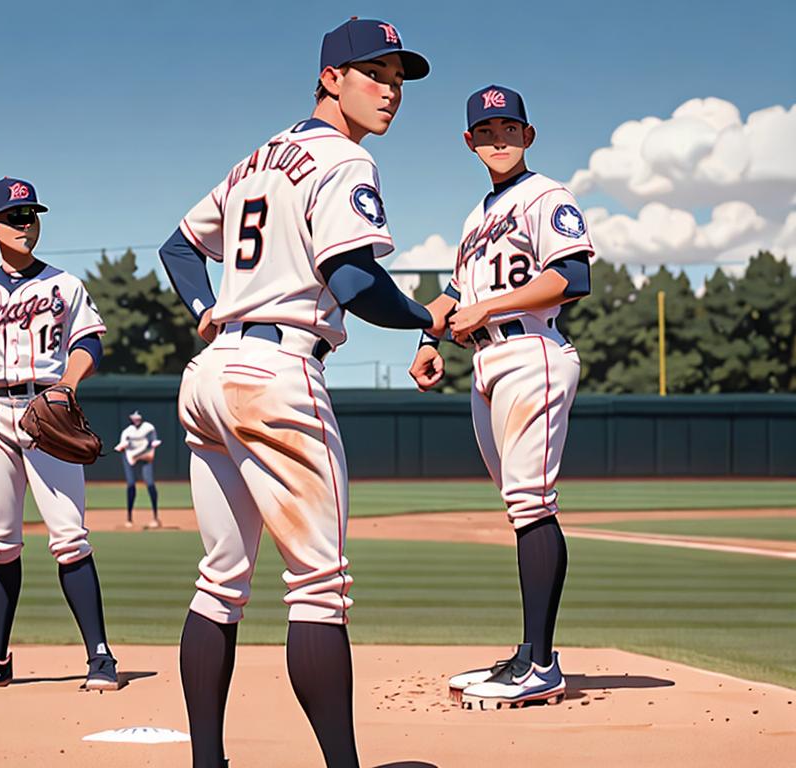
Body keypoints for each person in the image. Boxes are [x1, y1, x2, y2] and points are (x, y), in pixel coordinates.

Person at [159, 18, 436, 768]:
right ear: (329, 78)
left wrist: (202, 311)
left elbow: (178, 246)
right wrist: (426, 314)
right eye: (374, 73)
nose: (391, 90)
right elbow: (350, 280)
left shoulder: (259, 159)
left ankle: (207, 761)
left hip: (212, 375)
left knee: (219, 581)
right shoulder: (344, 160)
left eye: (399, 79)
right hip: (277, 373)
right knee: (319, 585)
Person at [409, 85, 594, 710]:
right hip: (486, 361)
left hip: (531, 351)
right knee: (521, 507)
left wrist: (484, 308)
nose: (498, 139)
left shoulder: (547, 196)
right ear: (470, 141)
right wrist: (426, 335)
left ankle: (541, 664)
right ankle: (531, 653)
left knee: (532, 502)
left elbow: (571, 277)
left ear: (528, 134)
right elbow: (452, 299)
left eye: (508, 128)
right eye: (486, 131)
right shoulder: (474, 219)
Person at [0, 177, 118, 692]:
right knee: (0, 542)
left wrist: (67, 384)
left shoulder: (65, 285)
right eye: (13, 217)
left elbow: (89, 343)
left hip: (47, 413)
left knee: (69, 537)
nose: (24, 224)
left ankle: (100, 656)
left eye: (30, 215)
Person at [114, 410, 162, 528]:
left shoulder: (149, 428)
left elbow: (153, 442)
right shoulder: (127, 431)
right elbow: (123, 445)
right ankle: (129, 518)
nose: (136, 420)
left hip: (144, 457)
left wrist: (151, 448)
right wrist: (121, 447)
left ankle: (155, 518)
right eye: (134, 418)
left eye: (138, 417)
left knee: (150, 484)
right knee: (131, 485)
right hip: (130, 458)